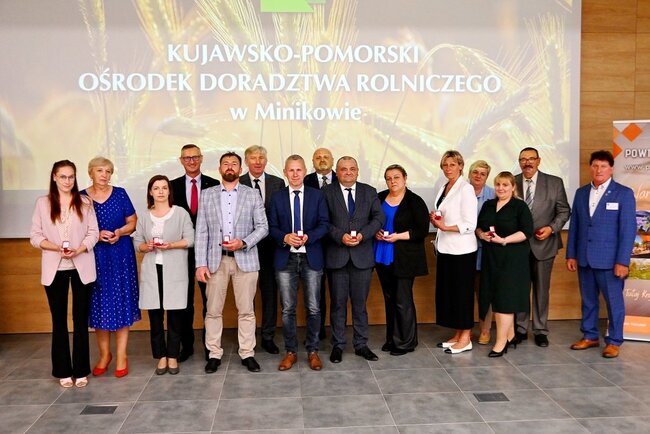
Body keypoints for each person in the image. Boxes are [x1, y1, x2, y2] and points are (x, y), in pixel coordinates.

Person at [195, 152, 269, 373]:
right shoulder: (207, 194)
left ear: (240, 169)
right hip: (215, 261)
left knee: (246, 311)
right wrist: (200, 264)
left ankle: (247, 353)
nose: (230, 167)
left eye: (234, 164)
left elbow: (263, 227)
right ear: (219, 169)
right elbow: (201, 231)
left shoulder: (252, 194)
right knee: (213, 311)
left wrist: (244, 242)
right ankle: (214, 353)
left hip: (245, 259)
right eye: (225, 164)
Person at [30, 160, 99, 388]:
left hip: (82, 266)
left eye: (71, 177)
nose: (67, 181)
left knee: (80, 319)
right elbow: (35, 236)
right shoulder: (43, 203)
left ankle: (81, 370)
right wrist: (56, 247)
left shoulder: (85, 202)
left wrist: (79, 249)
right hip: (55, 268)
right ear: (54, 177)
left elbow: (93, 233)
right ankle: (62, 370)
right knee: (58, 319)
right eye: (63, 177)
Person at [566, 150, 636, 359]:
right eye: (595, 166)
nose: (599, 170)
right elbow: (575, 226)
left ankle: (614, 341)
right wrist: (571, 254)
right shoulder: (581, 193)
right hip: (584, 258)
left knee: (614, 303)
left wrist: (622, 261)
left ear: (611, 169)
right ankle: (590, 336)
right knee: (588, 301)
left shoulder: (623, 193)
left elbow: (628, 230)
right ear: (590, 167)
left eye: (603, 166)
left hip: (610, 261)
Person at [269, 155, 329, 371]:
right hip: (285, 259)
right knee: (288, 309)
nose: (295, 174)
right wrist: (284, 237)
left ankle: (313, 351)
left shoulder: (317, 196)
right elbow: (271, 227)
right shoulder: (277, 197)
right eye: (291, 170)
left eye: (299, 170)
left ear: (305, 171)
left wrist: (309, 237)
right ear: (285, 172)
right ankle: (291, 352)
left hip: (311, 257)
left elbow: (325, 224)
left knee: (313, 308)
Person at [322, 156, 385, 363]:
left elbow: (379, 218)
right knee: (338, 305)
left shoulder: (369, 191)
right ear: (337, 171)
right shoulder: (326, 192)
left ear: (357, 171)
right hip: (337, 256)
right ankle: (338, 345)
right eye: (343, 169)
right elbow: (323, 221)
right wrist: (340, 236)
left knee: (360, 304)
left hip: (362, 257)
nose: (348, 172)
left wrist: (363, 235)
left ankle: (361, 344)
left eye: (352, 169)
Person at [82, 157, 139, 378]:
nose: (104, 175)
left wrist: (120, 232)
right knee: (99, 304)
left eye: (108, 171)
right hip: (95, 256)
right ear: (90, 173)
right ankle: (105, 355)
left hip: (121, 254)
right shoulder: (81, 198)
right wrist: (96, 235)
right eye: (100, 170)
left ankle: (122, 356)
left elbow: (133, 222)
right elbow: (76, 229)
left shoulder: (120, 193)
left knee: (122, 302)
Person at [134, 175, 194, 375]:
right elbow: (137, 243)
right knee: (155, 316)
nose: (160, 191)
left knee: (175, 315)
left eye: (164, 188)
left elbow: (190, 239)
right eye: (156, 188)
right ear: (150, 192)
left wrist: (171, 245)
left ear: (169, 191)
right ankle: (161, 356)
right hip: (153, 270)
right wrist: (147, 246)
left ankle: (172, 356)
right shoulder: (144, 216)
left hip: (175, 270)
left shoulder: (180, 213)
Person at [514, 147, 571, 347]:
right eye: (523, 159)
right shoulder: (512, 182)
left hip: (545, 244)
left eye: (531, 159)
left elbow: (564, 211)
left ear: (538, 161)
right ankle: (520, 329)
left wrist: (551, 228)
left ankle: (540, 330)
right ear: (519, 162)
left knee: (541, 290)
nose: (527, 162)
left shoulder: (555, 182)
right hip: (518, 247)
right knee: (520, 289)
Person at [170, 144, 220, 362]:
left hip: (208, 253)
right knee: (184, 301)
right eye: (187, 158)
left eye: (195, 157)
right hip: (180, 252)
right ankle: (187, 345)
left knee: (210, 301)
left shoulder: (214, 184)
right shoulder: (171, 186)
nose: (191, 161)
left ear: (201, 159)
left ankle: (210, 345)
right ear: (181, 160)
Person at [476, 172, 534, 357]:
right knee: (494, 296)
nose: (501, 188)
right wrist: (481, 235)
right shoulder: (488, 205)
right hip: (491, 258)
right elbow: (479, 227)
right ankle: (510, 336)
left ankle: (501, 343)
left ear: (513, 187)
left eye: (505, 185)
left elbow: (527, 231)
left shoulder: (520, 206)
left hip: (512, 259)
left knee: (505, 300)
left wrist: (504, 240)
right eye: (498, 184)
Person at [374, 164, 429, 355]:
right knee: (389, 298)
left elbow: (421, 230)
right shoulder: (379, 197)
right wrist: (376, 231)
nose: (392, 181)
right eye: (389, 178)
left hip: (404, 257)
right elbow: (372, 221)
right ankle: (392, 339)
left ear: (405, 178)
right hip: (382, 254)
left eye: (396, 177)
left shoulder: (415, 201)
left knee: (402, 299)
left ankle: (406, 342)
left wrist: (398, 236)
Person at [239, 145, 285, 354]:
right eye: (253, 158)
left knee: (269, 294)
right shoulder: (238, 182)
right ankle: (246, 338)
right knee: (245, 296)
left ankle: (268, 337)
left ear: (266, 161)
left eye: (261, 158)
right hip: (244, 248)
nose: (257, 162)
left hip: (270, 248)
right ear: (246, 161)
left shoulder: (278, 183)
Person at [431, 150, 477, 354]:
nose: (448, 168)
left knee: (463, 295)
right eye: (445, 165)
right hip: (445, 248)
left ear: (461, 166)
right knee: (451, 294)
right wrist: (437, 220)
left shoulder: (466, 189)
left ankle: (466, 337)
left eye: (452, 164)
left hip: (462, 251)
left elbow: (470, 224)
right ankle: (458, 334)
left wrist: (445, 227)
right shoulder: (444, 187)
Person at [304, 147, 337, 339]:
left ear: (332, 160)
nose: (322, 160)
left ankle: (337, 332)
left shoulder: (342, 178)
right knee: (315, 291)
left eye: (326, 157)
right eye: (318, 157)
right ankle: (318, 332)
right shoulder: (305, 180)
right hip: (313, 243)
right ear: (313, 161)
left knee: (337, 290)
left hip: (337, 243)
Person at [468, 160, 496, 345]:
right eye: (475, 172)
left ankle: (485, 330)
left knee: (485, 293)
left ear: (487, 177)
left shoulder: (494, 195)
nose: (478, 176)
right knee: (464, 293)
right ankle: (465, 329)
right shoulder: (461, 192)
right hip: (464, 250)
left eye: (483, 173)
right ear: (469, 174)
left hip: (487, 252)